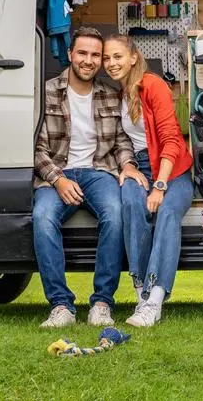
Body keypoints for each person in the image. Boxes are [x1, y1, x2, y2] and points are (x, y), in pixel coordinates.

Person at [32, 26, 148, 328]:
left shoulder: (111, 95)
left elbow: (123, 140)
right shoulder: (45, 92)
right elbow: (34, 146)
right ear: (70, 54)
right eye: (82, 53)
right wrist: (57, 179)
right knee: (43, 217)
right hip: (57, 174)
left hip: (99, 172)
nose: (89, 60)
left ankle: (101, 303)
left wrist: (129, 166)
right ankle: (61, 306)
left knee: (114, 212)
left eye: (95, 55)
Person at [103, 34, 195, 327]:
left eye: (117, 56)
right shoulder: (121, 93)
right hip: (140, 166)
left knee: (167, 212)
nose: (111, 63)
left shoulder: (153, 85)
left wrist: (160, 186)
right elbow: (124, 140)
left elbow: (170, 138)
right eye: (107, 58)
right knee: (130, 204)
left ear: (132, 57)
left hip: (173, 169)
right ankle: (140, 293)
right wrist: (129, 165)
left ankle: (154, 300)